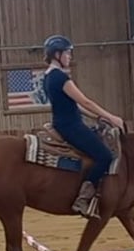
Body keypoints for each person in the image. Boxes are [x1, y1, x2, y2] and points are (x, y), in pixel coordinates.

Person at [41, 34, 125, 219]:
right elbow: (85, 102)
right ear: (57, 55)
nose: (70, 57)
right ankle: (83, 199)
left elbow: (76, 106)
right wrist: (111, 117)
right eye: (68, 53)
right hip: (71, 126)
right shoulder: (59, 78)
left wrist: (98, 118)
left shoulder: (48, 77)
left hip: (65, 123)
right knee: (104, 156)